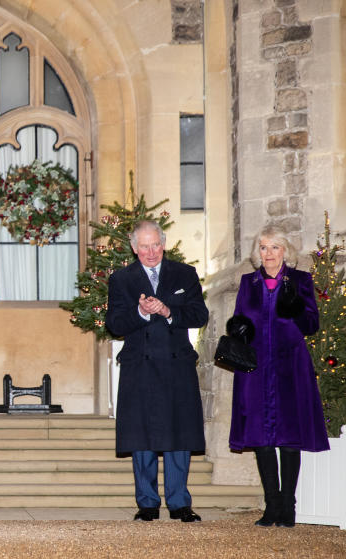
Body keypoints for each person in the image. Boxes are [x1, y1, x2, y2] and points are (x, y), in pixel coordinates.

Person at [106, 220, 209, 523]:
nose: (151, 252)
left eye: (156, 245)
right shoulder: (121, 279)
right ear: (134, 249)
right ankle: (147, 502)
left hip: (176, 364)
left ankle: (179, 502)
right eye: (144, 246)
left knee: (179, 435)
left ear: (163, 244)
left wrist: (167, 312)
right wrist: (140, 312)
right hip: (140, 367)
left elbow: (199, 315)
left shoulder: (184, 274)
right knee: (142, 437)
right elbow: (115, 323)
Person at [228, 223, 329, 527]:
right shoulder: (248, 283)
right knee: (260, 435)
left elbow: (311, 325)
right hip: (257, 368)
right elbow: (240, 320)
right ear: (257, 253)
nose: (268, 253)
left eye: (274, 247)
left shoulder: (300, 280)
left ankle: (288, 505)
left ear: (286, 251)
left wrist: (296, 307)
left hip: (290, 367)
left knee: (288, 436)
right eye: (263, 247)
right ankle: (271, 505)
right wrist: (237, 328)